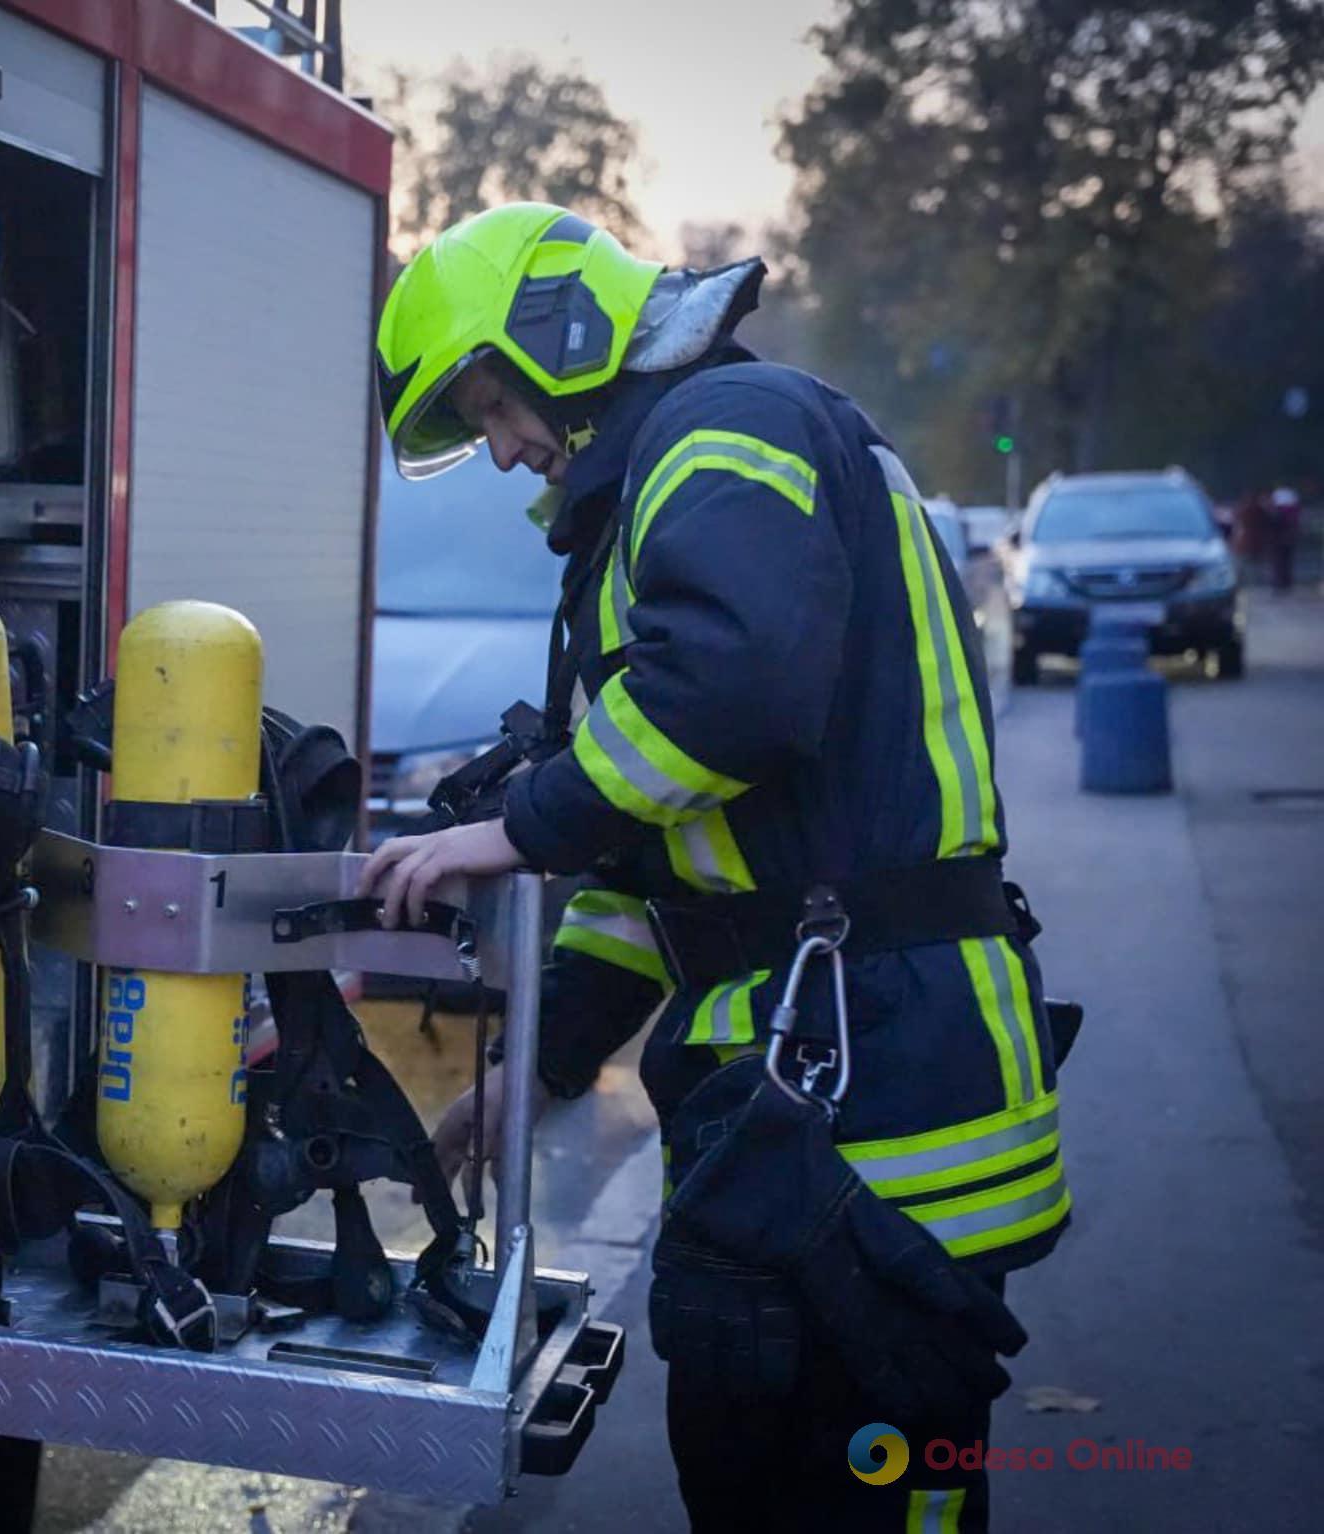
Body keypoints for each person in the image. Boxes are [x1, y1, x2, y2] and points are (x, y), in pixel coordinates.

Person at [359, 204, 1069, 1531]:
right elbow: (669, 858)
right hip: (809, 1102)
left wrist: (515, 827)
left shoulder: (726, 430)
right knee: (750, 1475)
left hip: (884, 1110)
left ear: (555, 338)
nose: (508, 449)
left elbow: (733, 692)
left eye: (489, 403)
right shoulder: (673, 473)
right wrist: (547, 1061)